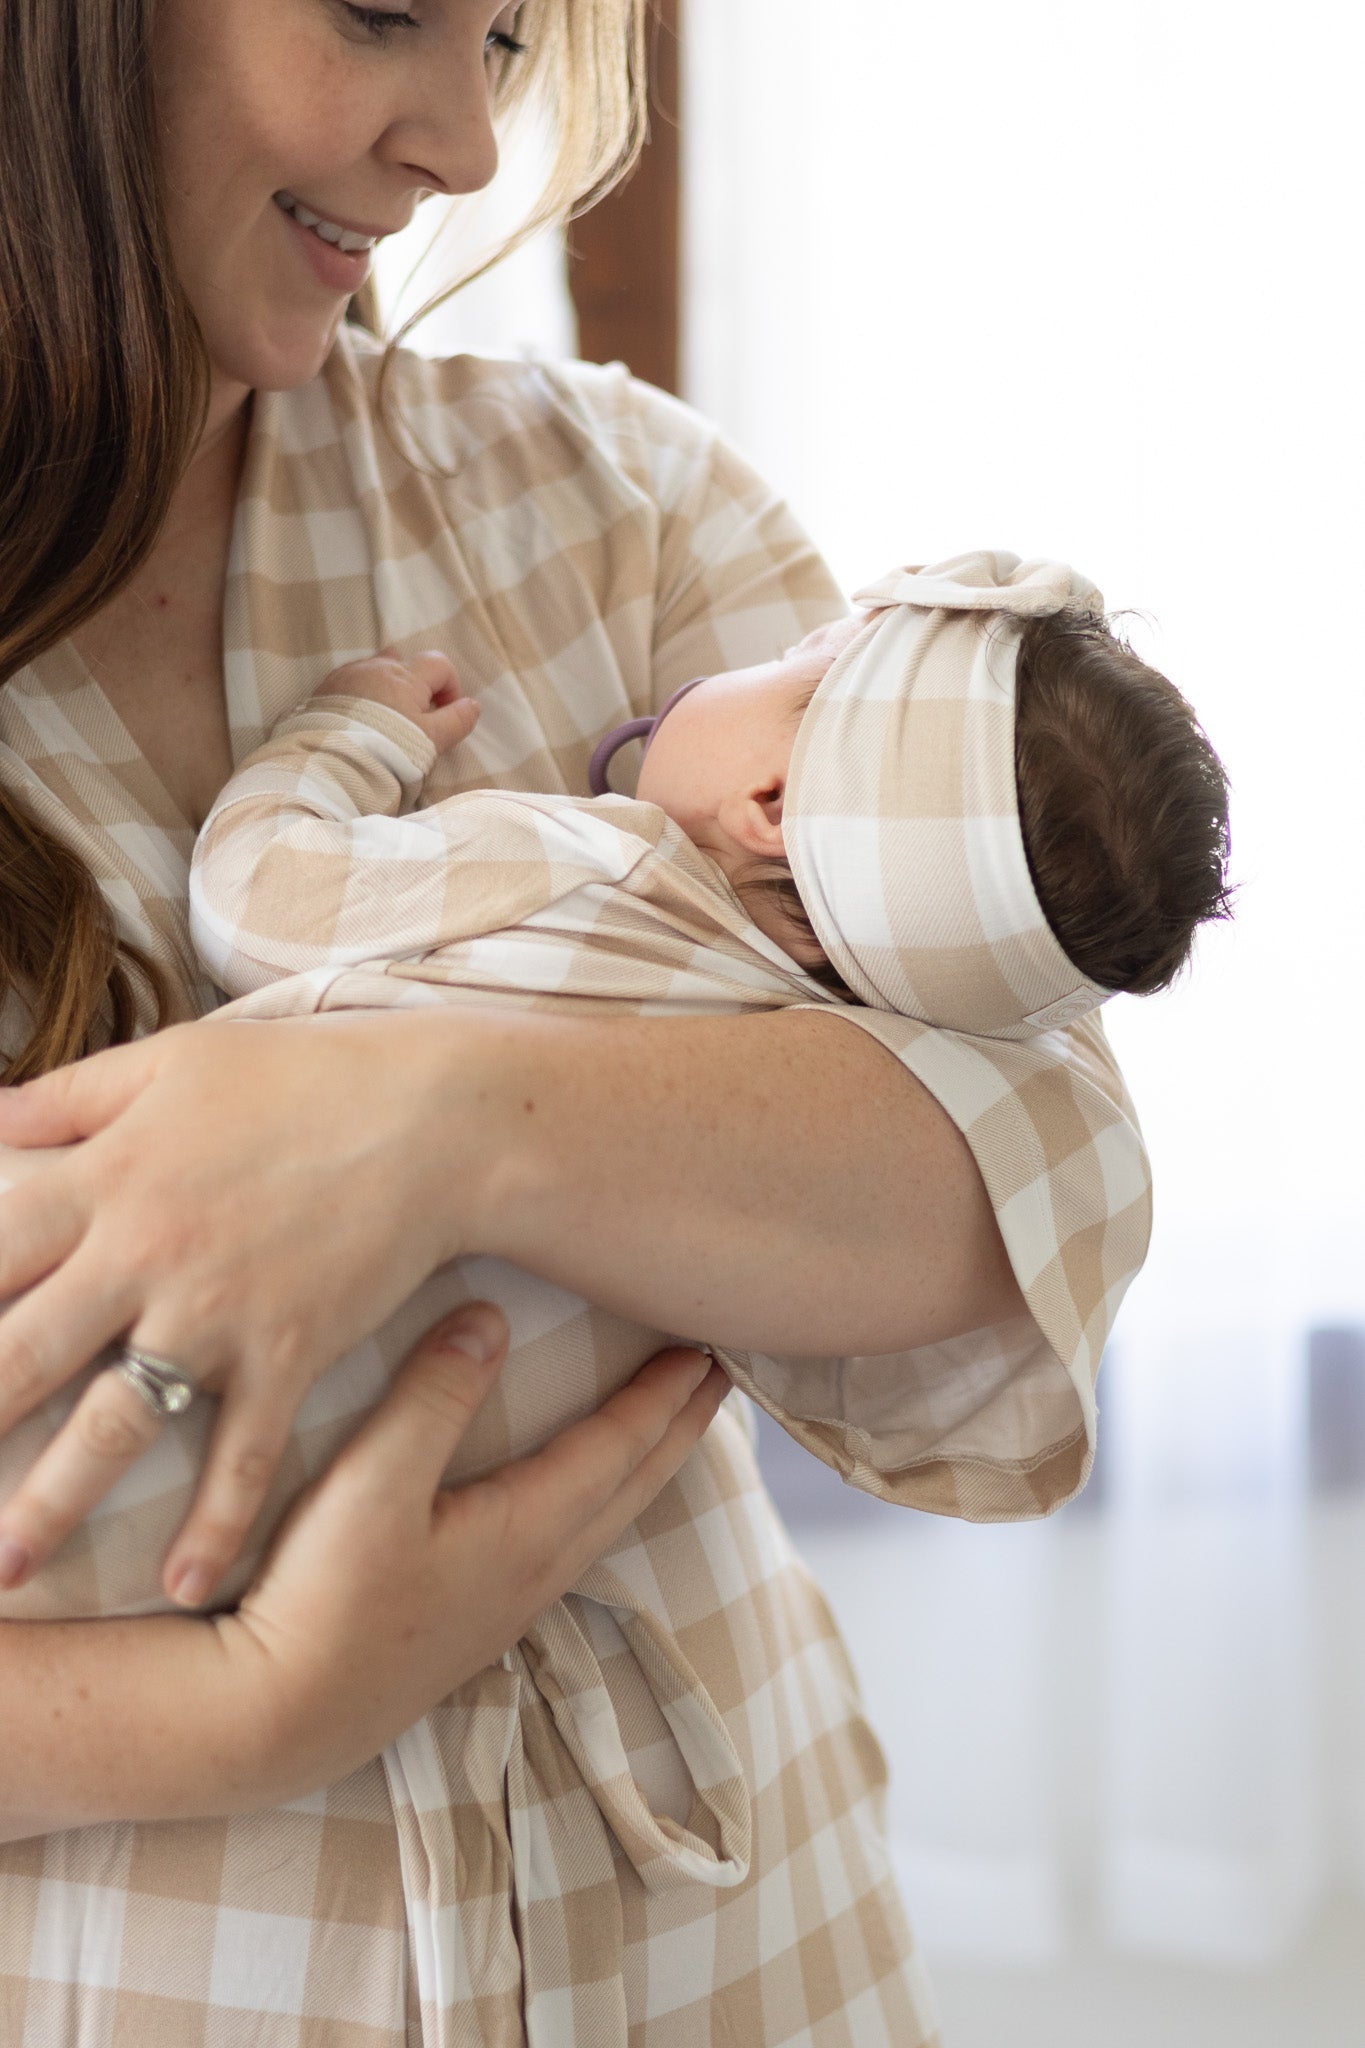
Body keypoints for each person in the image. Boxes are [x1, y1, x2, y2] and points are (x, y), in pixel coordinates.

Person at [0, 3, 1152, 2041]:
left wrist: (436, 1122)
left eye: (510, 38)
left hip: (738, 1952)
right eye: (379, 11)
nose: (460, 142)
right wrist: (238, 1711)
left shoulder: (609, 502)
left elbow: (1025, 1176)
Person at [183, 550, 1232, 1046]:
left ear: (770, 804)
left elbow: (253, 905)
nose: (752, 659)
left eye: (789, 660)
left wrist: (351, 734)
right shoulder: (831, 1038)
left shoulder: (589, 866)